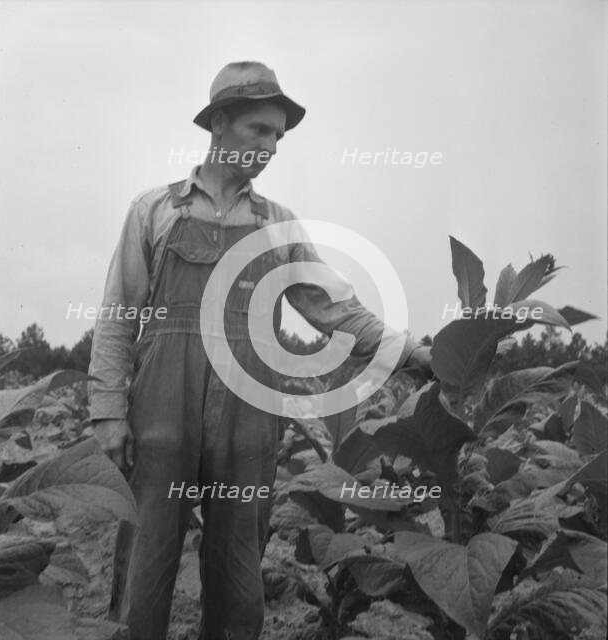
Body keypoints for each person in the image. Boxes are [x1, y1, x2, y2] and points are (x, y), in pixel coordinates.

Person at [89, 61, 432, 640]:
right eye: (259, 129)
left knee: (239, 570)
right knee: (146, 563)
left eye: (277, 134)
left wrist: (411, 351)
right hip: (161, 415)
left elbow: (331, 309)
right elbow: (119, 315)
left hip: (248, 414)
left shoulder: (278, 225)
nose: (271, 145)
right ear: (219, 124)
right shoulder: (155, 210)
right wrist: (107, 410)